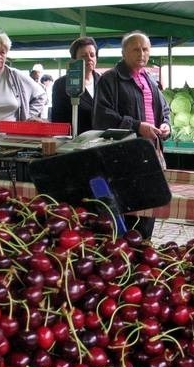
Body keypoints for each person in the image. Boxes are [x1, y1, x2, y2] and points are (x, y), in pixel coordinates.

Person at [93, 31, 171, 240]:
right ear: (124, 52)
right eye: (136, 49)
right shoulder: (110, 79)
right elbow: (102, 117)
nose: (141, 53)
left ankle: (143, 246)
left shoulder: (150, 80)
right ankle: (124, 251)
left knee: (150, 205)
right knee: (127, 208)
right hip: (123, 158)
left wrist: (165, 125)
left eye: (145, 49)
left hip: (151, 155)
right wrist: (137, 126)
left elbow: (164, 110)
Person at [50, 36, 101, 135]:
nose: (89, 58)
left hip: (100, 139)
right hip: (75, 140)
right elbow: (58, 118)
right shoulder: (61, 84)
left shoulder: (103, 82)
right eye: (84, 56)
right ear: (74, 59)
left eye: (92, 55)